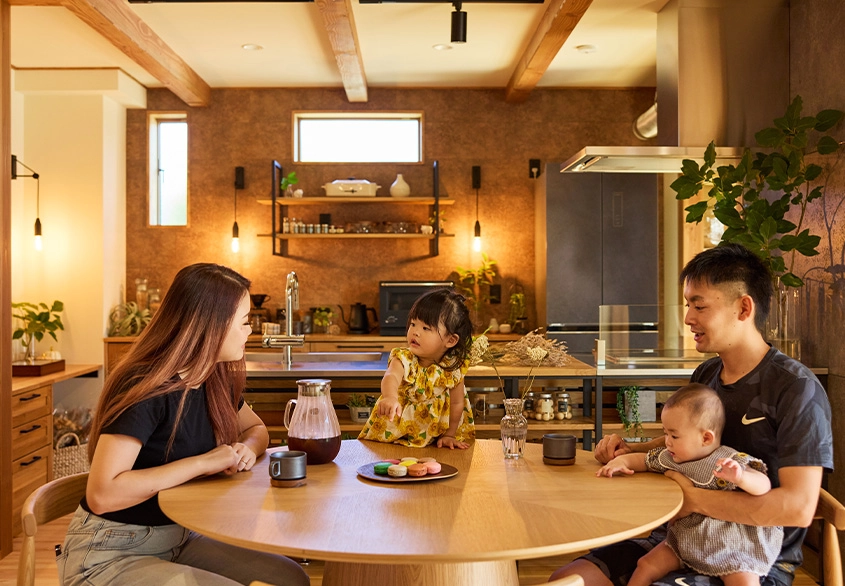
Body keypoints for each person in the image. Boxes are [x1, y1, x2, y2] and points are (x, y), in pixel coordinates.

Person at [550, 243, 833, 586]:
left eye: (699, 305)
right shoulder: (706, 374)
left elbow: (798, 507)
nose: (688, 318)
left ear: (744, 308)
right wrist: (631, 450)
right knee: (568, 579)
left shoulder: (796, 388)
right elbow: (686, 445)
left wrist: (695, 499)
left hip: (749, 559)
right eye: (688, 305)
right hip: (679, 539)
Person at [58, 264, 310, 586]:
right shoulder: (147, 387)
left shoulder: (210, 377)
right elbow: (103, 494)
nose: (250, 332)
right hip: (111, 551)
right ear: (212, 325)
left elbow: (256, 430)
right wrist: (204, 462)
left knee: (291, 578)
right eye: (245, 322)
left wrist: (245, 449)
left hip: (179, 538)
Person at [597, 383, 783, 586]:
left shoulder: (728, 460)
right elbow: (643, 460)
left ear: (705, 437)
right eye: (665, 433)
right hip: (687, 541)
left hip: (731, 547)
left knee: (745, 582)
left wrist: (740, 478)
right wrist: (620, 462)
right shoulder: (672, 457)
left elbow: (764, 486)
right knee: (646, 565)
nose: (666, 442)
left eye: (674, 436)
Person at [358, 288, 475, 449]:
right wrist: (390, 397)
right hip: (394, 439)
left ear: (450, 340)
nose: (415, 332)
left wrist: (449, 434)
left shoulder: (452, 368)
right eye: (413, 324)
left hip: (435, 442)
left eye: (426, 328)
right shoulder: (405, 359)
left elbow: (457, 403)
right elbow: (391, 376)